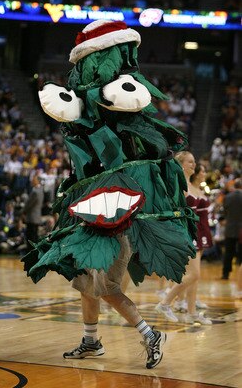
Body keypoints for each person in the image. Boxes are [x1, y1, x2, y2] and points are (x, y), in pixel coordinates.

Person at [22, 20, 198, 369]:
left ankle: (150, 334)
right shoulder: (89, 117)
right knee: (86, 284)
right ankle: (91, 341)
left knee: (105, 286)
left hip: (117, 215)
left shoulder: (128, 120)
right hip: (94, 212)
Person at [156, 151, 212, 324]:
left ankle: (192, 312)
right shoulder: (176, 183)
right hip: (184, 232)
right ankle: (165, 302)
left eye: (194, 162)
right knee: (193, 274)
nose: (194, 165)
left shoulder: (189, 184)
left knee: (195, 275)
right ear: (180, 164)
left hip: (194, 231)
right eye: (190, 162)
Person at [221, 178, 242, 280]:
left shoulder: (228, 197)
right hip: (241, 230)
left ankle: (225, 274)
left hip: (230, 227)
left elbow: (225, 212)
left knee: (228, 252)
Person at [22, 175, 44, 251]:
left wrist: (23, 211)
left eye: (33, 180)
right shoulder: (41, 190)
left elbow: (28, 204)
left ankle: (30, 251)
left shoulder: (35, 191)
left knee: (30, 236)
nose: (31, 181)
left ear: (37, 181)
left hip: (32, 216)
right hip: (37, 216)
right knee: (35, 235)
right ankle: (35, 251)